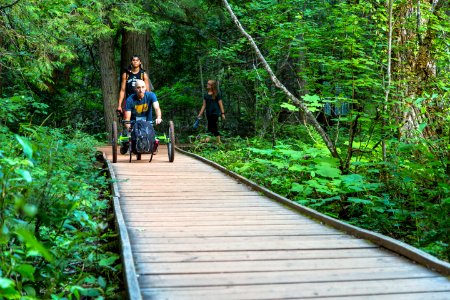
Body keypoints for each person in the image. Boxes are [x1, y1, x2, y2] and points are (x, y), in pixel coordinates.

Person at [124, 79, 162, 154]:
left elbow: (157, 108)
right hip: (134, 123)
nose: (141, 90)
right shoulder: (130, 99)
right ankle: (126, 145)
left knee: (150, 138)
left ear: (145, 88)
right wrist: (129, 127)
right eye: (138, 87)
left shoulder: (151, 95)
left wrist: (158, 117)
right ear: (135, 89)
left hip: (148, 122)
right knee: (130, 143)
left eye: (142, 87)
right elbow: (127, 118)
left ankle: (153, 146)